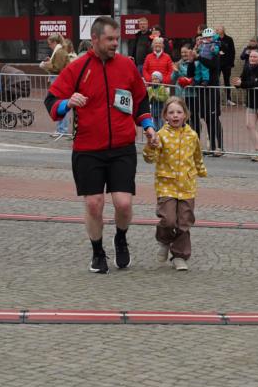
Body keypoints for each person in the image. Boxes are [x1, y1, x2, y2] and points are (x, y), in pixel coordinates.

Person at [45, 16, 157, 273]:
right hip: (87, 149)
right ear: (95, 39)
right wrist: (67, 103)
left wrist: (148, 126)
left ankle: (121, 237)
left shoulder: (127, 66)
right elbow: (52, 102)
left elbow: (140, 101)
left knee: (124, 203)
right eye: (110, 39)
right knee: (94, 203)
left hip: (122, 147)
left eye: (117, 39)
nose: (115, 44)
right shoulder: (77, 67)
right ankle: (97, 251)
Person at [143, 96, 207, 271]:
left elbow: (197, 156)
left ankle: (179, 255)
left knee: (184, 221)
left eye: (179, 112)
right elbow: (150, 159)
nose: (175, 115)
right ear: (165, 115)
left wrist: (200, 171)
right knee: (169, 220)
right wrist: (150, 144)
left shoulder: (192, 135)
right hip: (166, 185)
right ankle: (164, 241)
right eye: (171, 112)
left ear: (185, 114)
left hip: (187, 185)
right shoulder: (161, 135)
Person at [234, 48, 258, 160]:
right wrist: (238, 83)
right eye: (251, 56)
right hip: (251, 102)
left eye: (255, 57)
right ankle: (257, 150)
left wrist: (243, 84)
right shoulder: (247, 67)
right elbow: (243, 80)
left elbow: (256, 83)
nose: (252, 58)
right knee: (249, 125)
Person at [196, 28, 224, 156]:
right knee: (206, 118)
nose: (206, 41)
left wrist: (199, 58)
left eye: (208, 38)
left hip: (212, 87)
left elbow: (213, 65)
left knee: (214, 118)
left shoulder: (215, 52)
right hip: (203, 88)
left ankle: (220, 147)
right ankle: (211, 146)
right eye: (204, 38)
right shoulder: (201, 50)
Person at [174, 45, 202, 137]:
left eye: (185, 52)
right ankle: (185, 138)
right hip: (181, 95)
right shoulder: (178, 63)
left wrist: (179, 70)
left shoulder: (195, 62)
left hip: (192, 95)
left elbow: (189, 74)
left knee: (194, 118)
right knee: (183, 118)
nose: (184, 54)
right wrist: (175, 71)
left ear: (190, 52)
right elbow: (172, 78)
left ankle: (197, 138)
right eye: (182, 52)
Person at [215, 25, 236, 105]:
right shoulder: (215, 39)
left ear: (223, 30)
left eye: (218, 29)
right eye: (216, 29)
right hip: (217, 63)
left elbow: (232, 52)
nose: (217, 30)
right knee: (216, 80)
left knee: (227, 81)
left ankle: (228, 99)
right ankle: (216, 99)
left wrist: (231, 63)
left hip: (227, 64)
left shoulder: (229, 39)